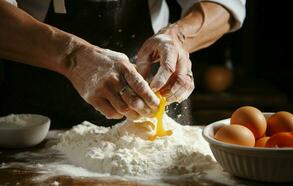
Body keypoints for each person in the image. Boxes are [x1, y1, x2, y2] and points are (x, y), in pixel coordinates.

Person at [0, 0, 246, 128]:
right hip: (37, 90)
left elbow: (224, 4)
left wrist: (178, 36)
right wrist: (70, 55)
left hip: (152, 77)